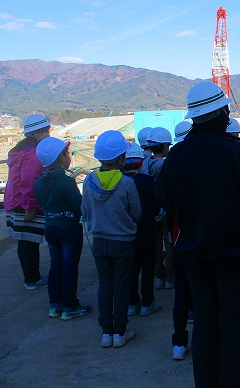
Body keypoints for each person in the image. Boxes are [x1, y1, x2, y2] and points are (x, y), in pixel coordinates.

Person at [157, 81, 240, 388]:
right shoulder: (237, 152)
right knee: (232, 328)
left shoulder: (176, 155)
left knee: (206, 323)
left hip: (194, 256)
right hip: (235, 256)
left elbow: (165, 202)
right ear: (220, 112)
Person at [82, 130, 141, 348]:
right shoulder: (126, 183)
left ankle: (106, 332)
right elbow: (136, 212)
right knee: (122, 285)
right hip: (123, 241)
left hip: (99, 240)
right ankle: (120, 331)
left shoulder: (89, 181)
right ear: (120, 159)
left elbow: (85, 210)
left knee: (104, 286)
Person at [35, 137, 92, 319]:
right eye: (67, 154)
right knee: (69, 268)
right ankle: (70, 306)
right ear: (60, 158)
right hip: (69, 229)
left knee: (56, 266)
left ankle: (55, 305)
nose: (69, 157)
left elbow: (41, 202)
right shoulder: (66, 182)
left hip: (50, 227)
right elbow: (78, 205)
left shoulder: (39, 182)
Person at [5, 113, 51, 289]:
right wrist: (30, 205)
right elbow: (29, 181)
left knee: (23, 241)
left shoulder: (19, 150)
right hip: (25, 203)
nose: (48, 134)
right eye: (46, 130)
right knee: (30, 242)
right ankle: (32, 278)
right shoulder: (32, 153)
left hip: (15, 201)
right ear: (37, 132)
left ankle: (30, 277)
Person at [123, 143, 162, 318]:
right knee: (147, 267)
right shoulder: (147, 181)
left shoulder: (120, 181)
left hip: (127, 232)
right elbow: (155, 206)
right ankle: (147, 302)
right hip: (146, 229)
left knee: (132, 267)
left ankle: (132, 303)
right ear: (140, 162)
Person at [171, 119, 194, 361]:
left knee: (181, 292)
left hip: (179, 236)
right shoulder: (203, 157)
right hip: (203, 237)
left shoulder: (174, 158)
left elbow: (163, 197)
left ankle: (179, 342)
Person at [142, 126, 175, 290]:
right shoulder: (164, 164)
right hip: (164, 209)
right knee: (169, 244)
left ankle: (158, 276)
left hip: (150, 210)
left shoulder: (146, 162)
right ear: (163, 146)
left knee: (155, 245)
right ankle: (170, 277)